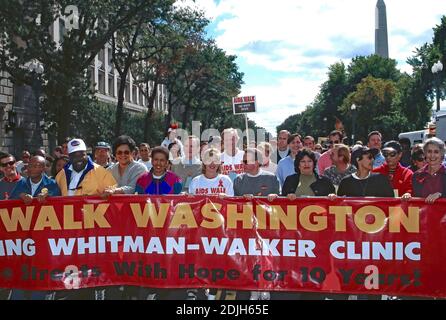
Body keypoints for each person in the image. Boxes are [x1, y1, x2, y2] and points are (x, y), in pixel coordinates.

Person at [54, 138, 117, 300]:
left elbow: (114, 194)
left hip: (93, 229)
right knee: (72, 264)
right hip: (69, 230)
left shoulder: (101, 172)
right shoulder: (62, 174)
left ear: (86, 154)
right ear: (69, 156)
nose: (79, 158)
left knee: (92, 265)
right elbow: (55, 198)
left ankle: (94, 292)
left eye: (82, 154)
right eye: (75, 155)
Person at [8, 156, 61, 300]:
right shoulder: (21, 184)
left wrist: (48, 198)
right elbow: (8, 207)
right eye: (30, 165)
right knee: (21, 276)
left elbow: (61, 206)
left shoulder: (52, 184)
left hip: (43, 239)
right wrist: (19, 197)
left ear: (44, 168)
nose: (33, 168)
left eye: (37, 166)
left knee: (40, 277)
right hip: (24, 240)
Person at [188, 147, 233, 301]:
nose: (212, 163)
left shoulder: (226, 180)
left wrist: (225, 198)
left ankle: (214, 294)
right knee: (199, 260)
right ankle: (198, 291)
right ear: (203, 162)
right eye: (209, 159)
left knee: (216, 261)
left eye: (215, 160)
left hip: (219, 230)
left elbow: (232, 205)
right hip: (199, 230)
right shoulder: (196, 181)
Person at [403, 138, 446, 203]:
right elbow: (414, 196)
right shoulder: (417, 175)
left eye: (436, 152)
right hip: (423, 212)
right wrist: (408, 194)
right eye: (429, 151)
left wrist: (441, 195)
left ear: (442, 155)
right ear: (425, 154)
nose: (432, 155)